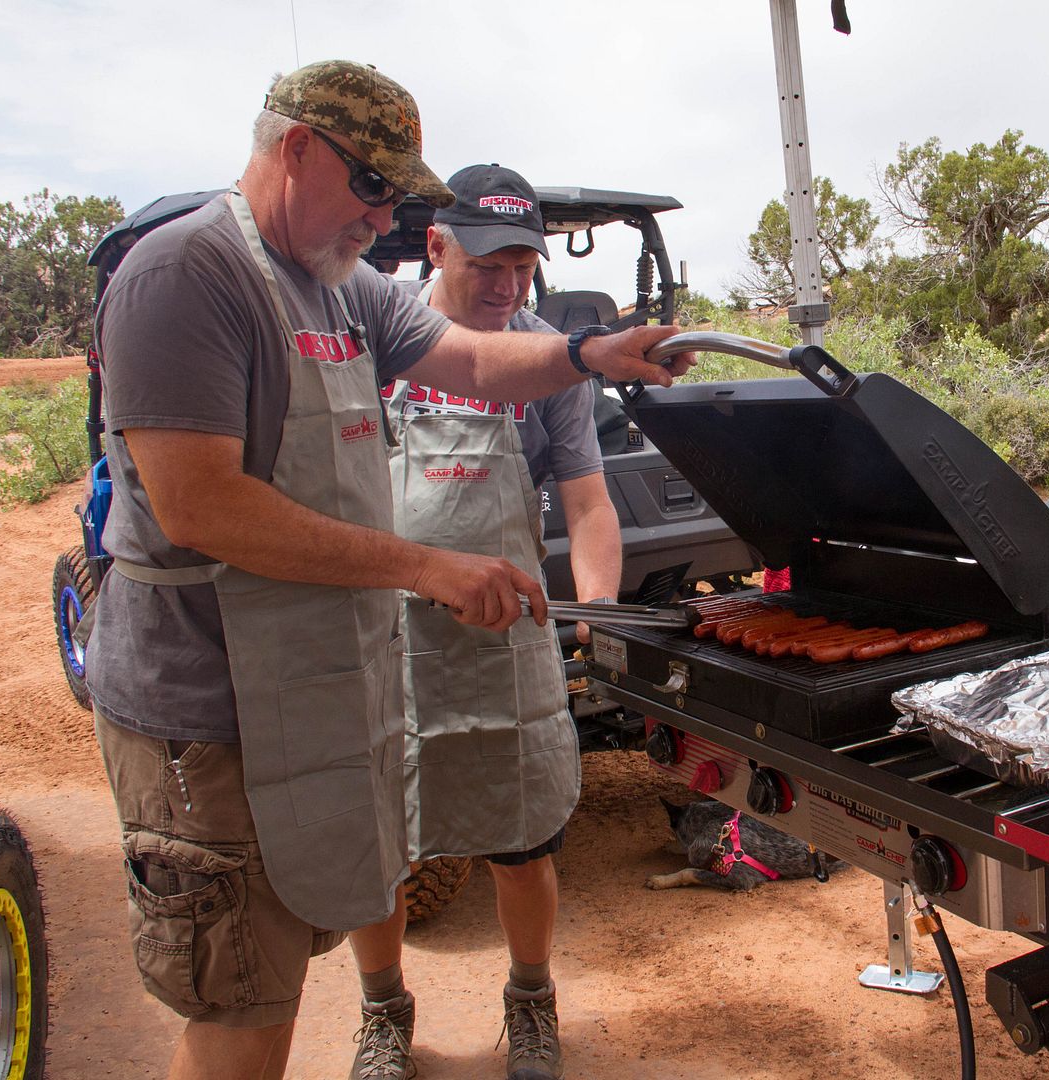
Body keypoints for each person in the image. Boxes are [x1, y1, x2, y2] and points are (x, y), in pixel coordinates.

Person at [86, 60, 689, 1080]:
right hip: (208, 706)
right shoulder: (184, 277)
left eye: (398, 197)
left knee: (267, 982)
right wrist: (424, 567)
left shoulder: (344, 287)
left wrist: (592, 356)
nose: (385, 218)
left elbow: (471, 361)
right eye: (372, 187)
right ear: (294, 150)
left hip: (311, 680)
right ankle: (382, 1011)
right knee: (238, 997)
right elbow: (202, 506)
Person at [344, 163, 617, 1080]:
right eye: (485, 267)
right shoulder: (372, 326)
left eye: (522, 269)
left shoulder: (546, 356)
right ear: (435, 245)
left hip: (505, 636)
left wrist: (600, 613)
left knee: (523, 835)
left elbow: (585, 503)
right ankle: (384, 1013)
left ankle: (531, 1000)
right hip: (381, 628)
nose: (506, 289)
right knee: (377, 843)